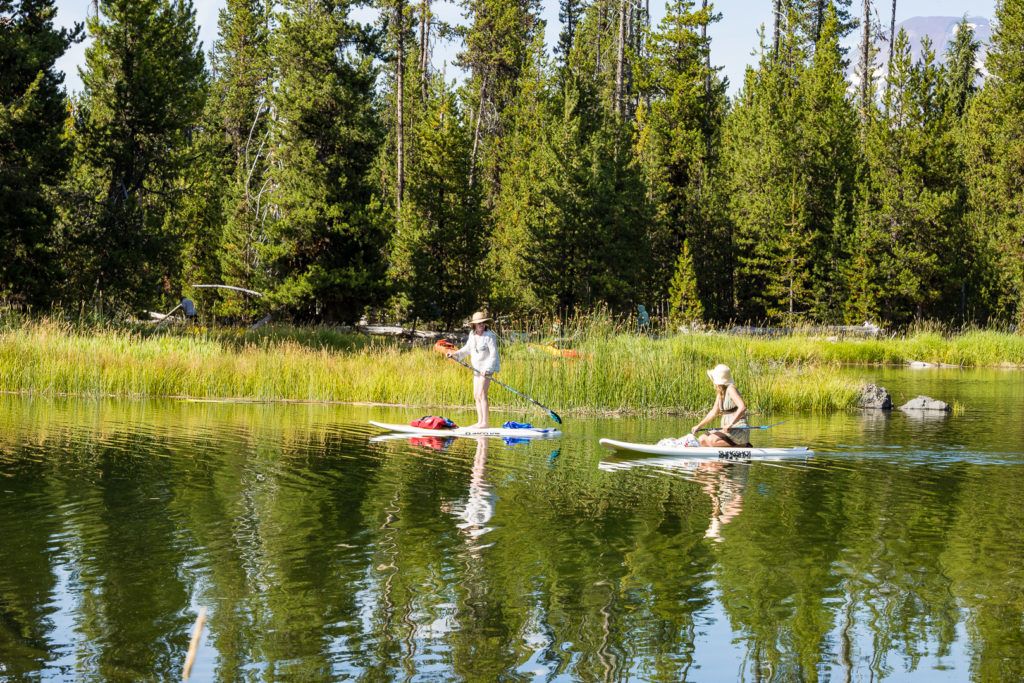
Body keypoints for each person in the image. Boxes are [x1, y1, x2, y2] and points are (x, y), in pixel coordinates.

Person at [448, 311, 500, 429]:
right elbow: (467, 349)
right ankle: (480, 422)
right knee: (476, 395)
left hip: (487, 368)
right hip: (476, 369)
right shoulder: (472, 335)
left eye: (483, 323)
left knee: (482, 393)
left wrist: (488, 369)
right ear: (474, 325)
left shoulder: (490, 336)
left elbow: (494, 355)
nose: (481, 325)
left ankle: (485, 423)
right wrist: (454, 354)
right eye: (479, 323)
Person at [692, 364, 751, 448]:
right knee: (702, 439)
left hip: (737, 429)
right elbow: (713, 412)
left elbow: (742, 407)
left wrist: (730, 424)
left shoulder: (731, 389)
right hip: (727, 429)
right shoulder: (720, 392)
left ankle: (742, 445)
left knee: (712, 440)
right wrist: (699, 426)